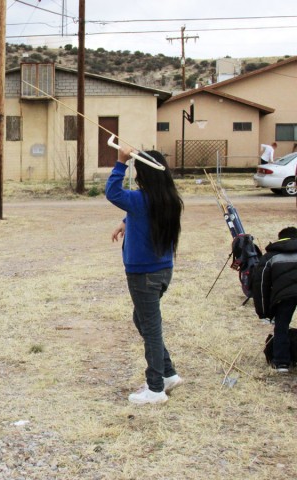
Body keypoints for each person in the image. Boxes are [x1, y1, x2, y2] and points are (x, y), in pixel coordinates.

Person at [106, 147, 184, 405]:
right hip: (163, 272)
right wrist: (126, 221)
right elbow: (145, 213)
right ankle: (169, 374)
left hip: (143, 275)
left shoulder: (141, 201)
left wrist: (120, 162)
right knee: (143, 320)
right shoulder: (169, 198)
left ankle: (155, 388)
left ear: (145, 175)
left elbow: (113, 192)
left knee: (150, 327)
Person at [252, 226, 297, 373]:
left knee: (281, 327)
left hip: (284, 298)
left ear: (280, 238)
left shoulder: (269, 257)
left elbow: (260, 287)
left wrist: (264, 313)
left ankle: (282, 363)